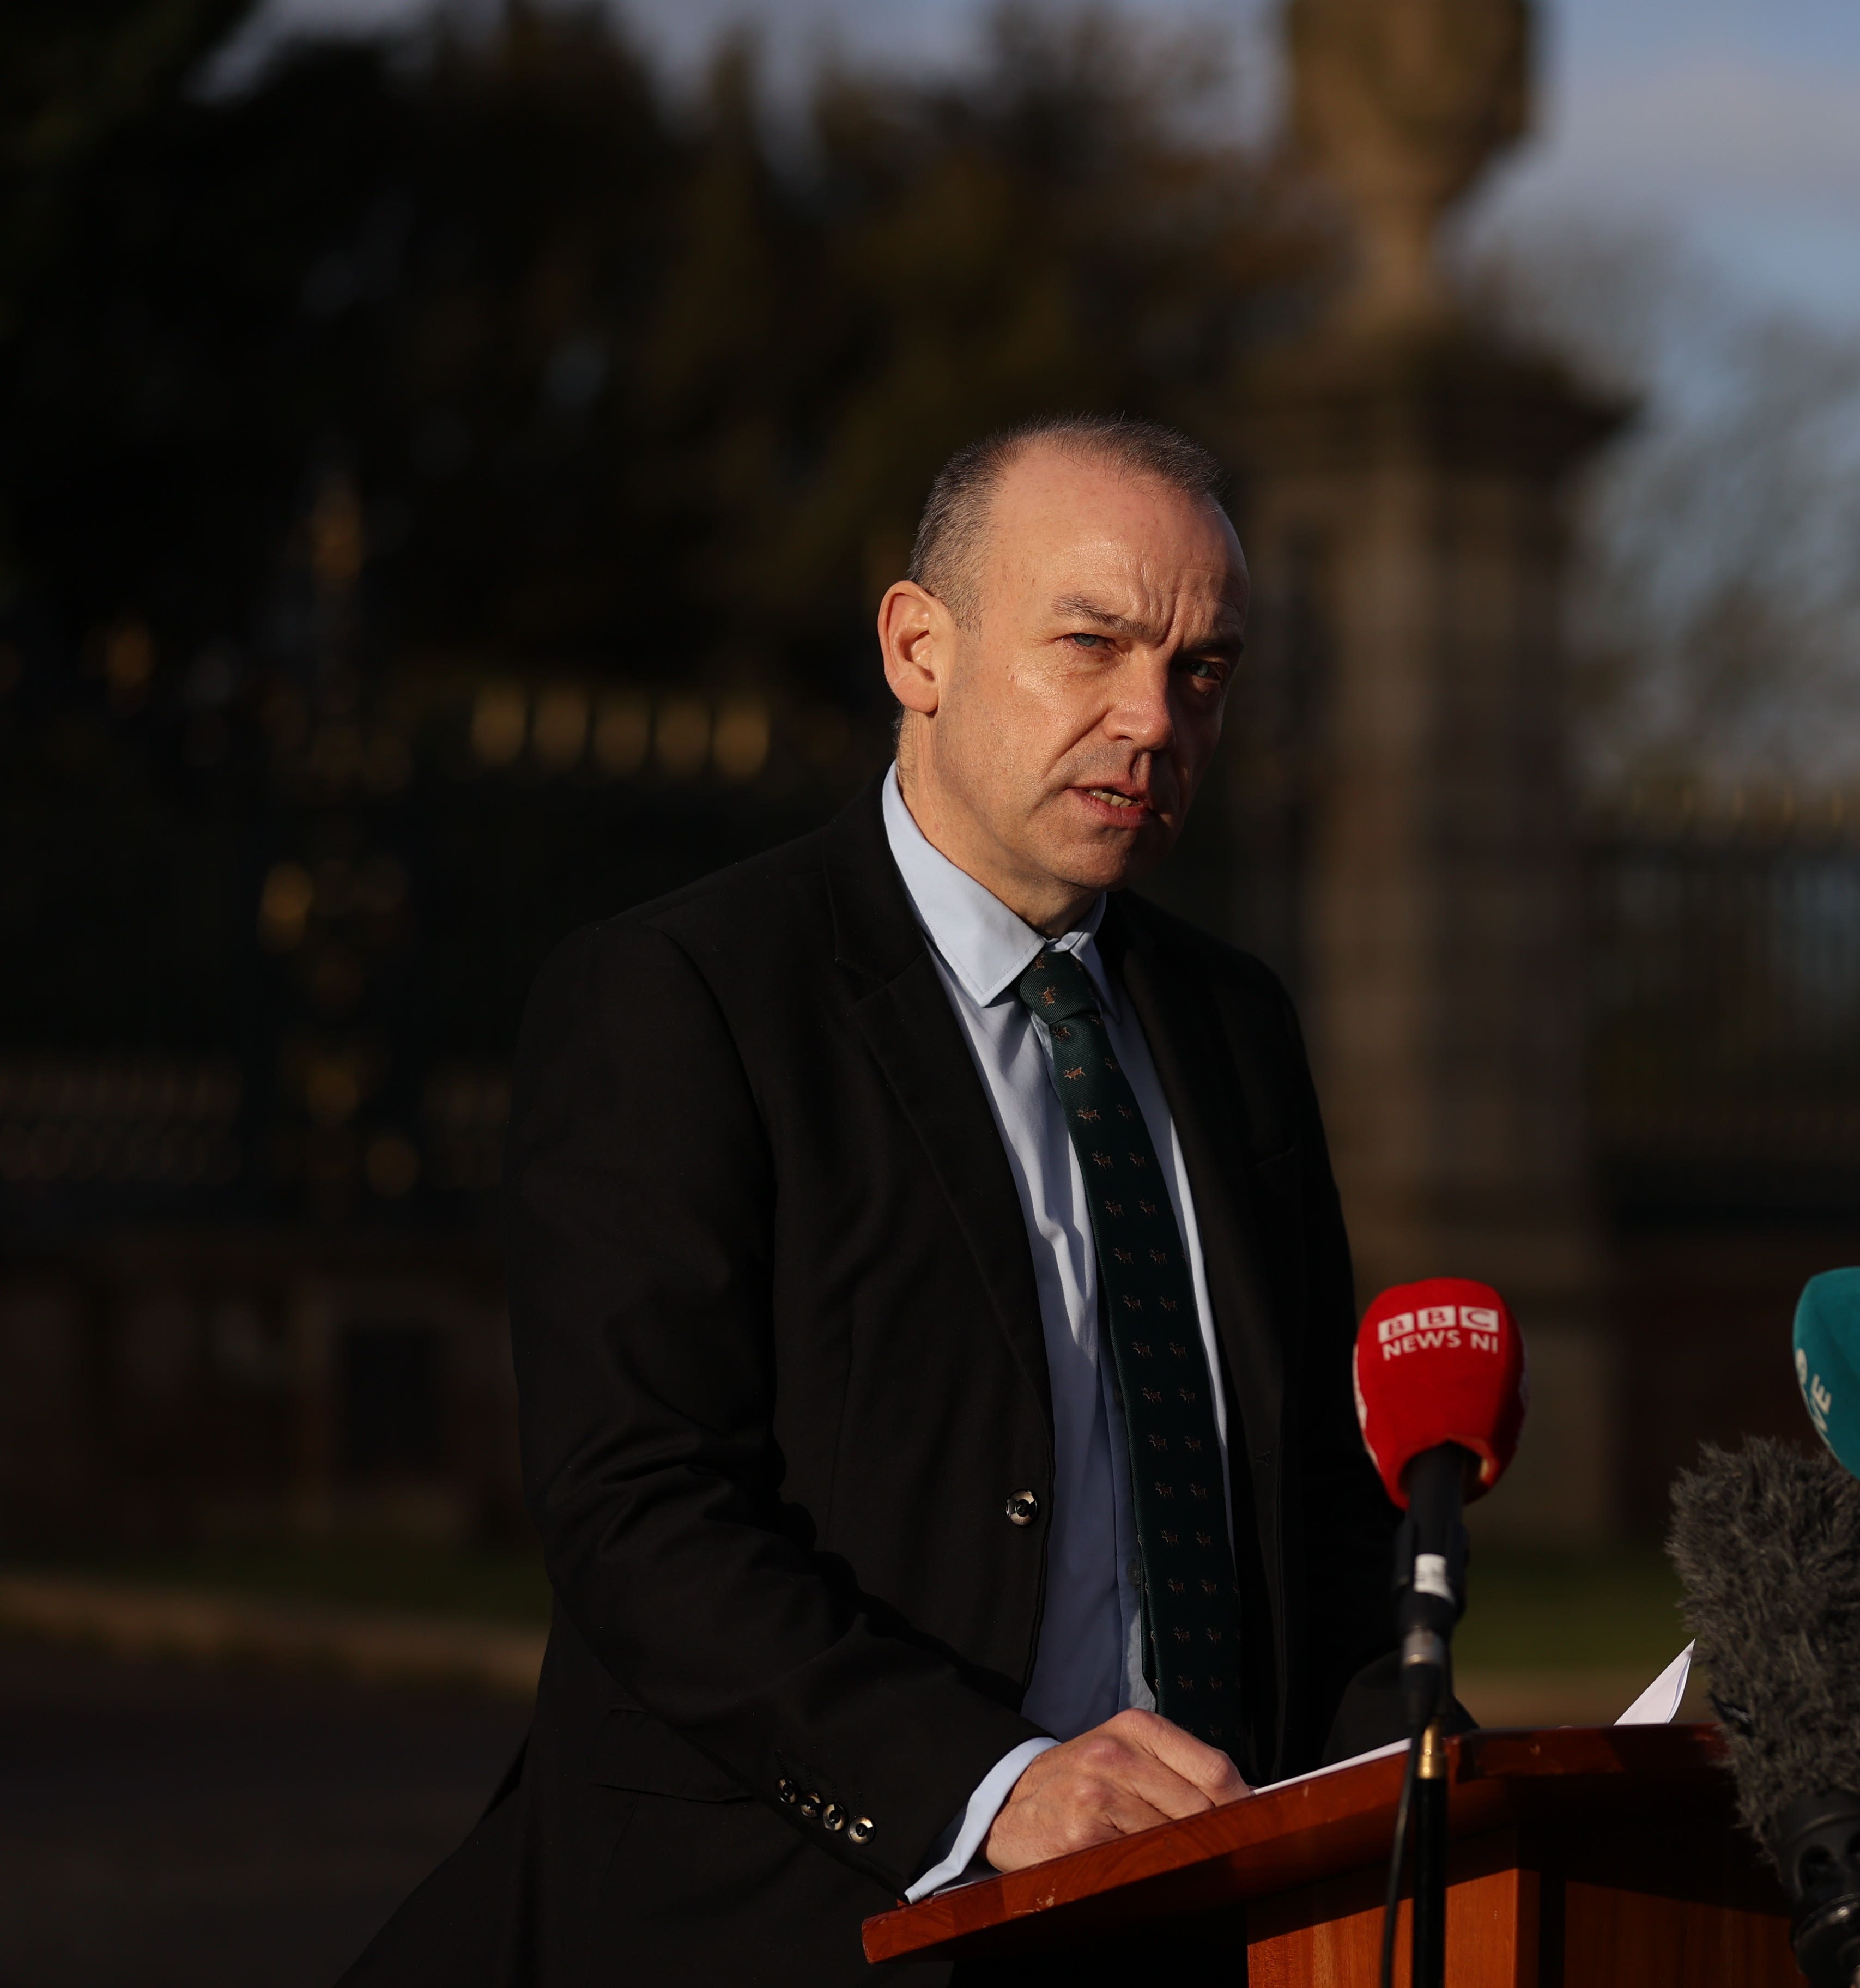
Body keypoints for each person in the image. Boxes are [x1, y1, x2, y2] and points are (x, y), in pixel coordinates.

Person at [346, 416, 1414, 1985]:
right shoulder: (686, 996)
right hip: (799, 1911)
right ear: (921, 647)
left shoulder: (1234, 1025)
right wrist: (992, 1790)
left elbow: (1314, 1507)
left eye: (1203, 672)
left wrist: (1417, 1776)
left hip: (1197, 1914)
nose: (1151, 719)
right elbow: (640, 1510)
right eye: (1092, 643)